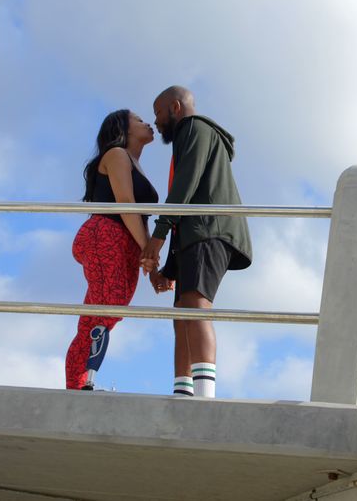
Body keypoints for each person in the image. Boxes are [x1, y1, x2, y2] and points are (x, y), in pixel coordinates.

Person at [141, 86, 252, 398]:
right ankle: (183, 392)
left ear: (175, 107)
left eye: (158, 113)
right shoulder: (191, 136)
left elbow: (185, 184)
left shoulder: (194, 128)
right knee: (182, 313)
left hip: (208, 230)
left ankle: (205, 396)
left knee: (196, 306)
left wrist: (158, 236)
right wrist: (170, 268)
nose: (156, 121)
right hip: (196, 233)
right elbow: (190, 197)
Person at [66, 109, 160, 390]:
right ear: (124, 128)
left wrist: (148, 256)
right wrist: (148, 251)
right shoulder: (116, 155)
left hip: (127, 242)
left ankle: (80, 382)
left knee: (107, 310)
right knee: (105, 309)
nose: (148, 123)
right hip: (106, 235)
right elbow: (125, 203)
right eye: (139, 120)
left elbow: (139, 216)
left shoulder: (135, 163)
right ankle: (78, 385)